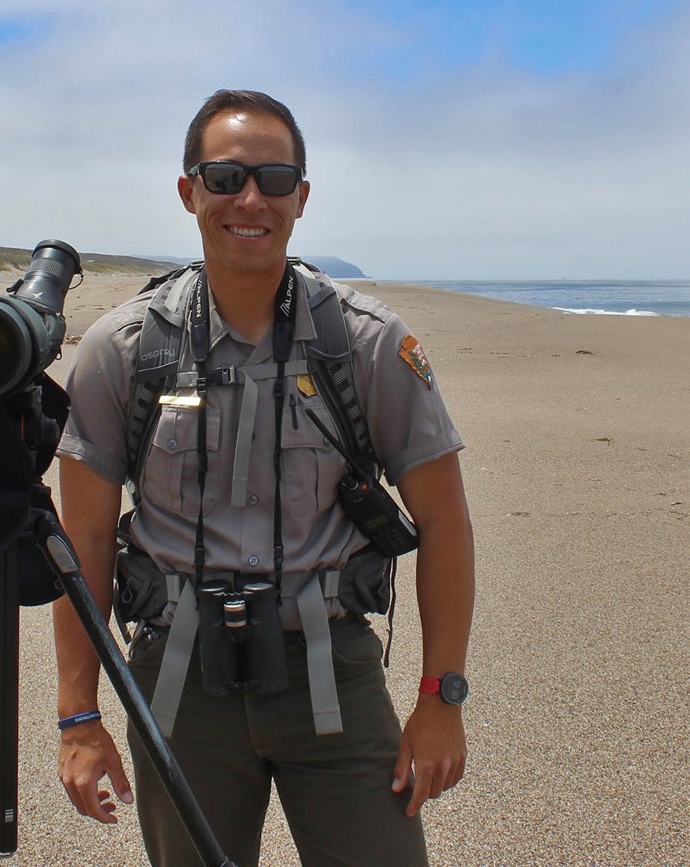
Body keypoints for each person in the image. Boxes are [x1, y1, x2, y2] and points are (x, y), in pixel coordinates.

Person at [52, 89, 475, 867]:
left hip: (334, 679)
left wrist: (439, 698)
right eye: (225, 177)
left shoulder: (366, 344)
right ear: (189, 191)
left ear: (302, 198)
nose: (251, 198)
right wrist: (77, 718)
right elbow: (81, 539)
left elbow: (445, 520)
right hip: (179, 684)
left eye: (275, 180)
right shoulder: (122, 349)